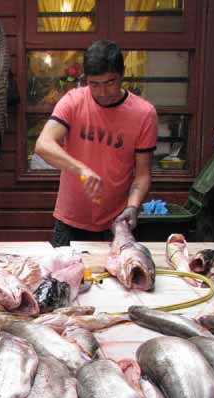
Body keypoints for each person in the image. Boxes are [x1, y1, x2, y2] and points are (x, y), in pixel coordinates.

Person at [34, 40, 158, 247]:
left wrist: (133, 206)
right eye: (94, 84)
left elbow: (143, 174)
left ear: (122, 75)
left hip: (116, 222)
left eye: (110, 83)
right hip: (69, 218)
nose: (102, 92)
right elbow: (43, 144)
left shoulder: (144, 113)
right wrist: (82, 169)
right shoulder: (73, 101)